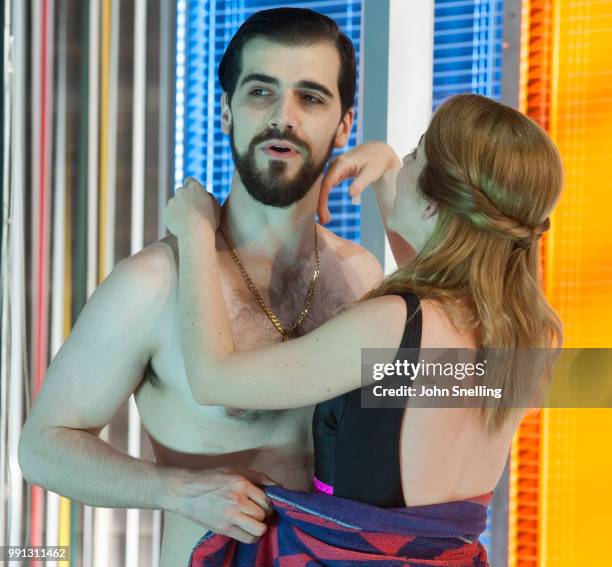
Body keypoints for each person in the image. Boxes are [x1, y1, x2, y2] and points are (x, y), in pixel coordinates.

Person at [17, 8, 383, 566]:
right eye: (261, 91)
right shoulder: (156, 282)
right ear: (225, 112)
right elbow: (42, 448)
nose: (283, 117)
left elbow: (469, 382)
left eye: (310, 97)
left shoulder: (362, 275)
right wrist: (178, 490)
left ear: (344, 125)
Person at [164, 93, 564, 565]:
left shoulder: (389, 326)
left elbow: (214, 379)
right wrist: (390, 171)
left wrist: (193, 233)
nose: (405, 162)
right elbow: (426, 351)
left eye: (417, 153)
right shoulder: (526, 336)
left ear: (436, 205)